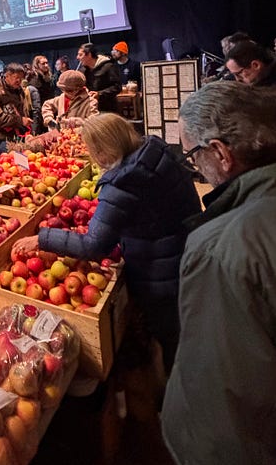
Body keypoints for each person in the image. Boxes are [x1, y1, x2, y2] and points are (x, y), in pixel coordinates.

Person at [161, 82, 276, 465]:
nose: (194, 168)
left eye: (193, 157)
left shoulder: (228, 250)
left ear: (221, 154)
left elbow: (227, 437)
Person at [13, 112, 200, 372]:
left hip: (160, 271)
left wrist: (42, 238)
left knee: (170, 340)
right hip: (185, 249)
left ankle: (172, 385)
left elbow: (94, 245)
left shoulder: (123, 183)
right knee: (180, 330)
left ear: (101, 152)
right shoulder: (155, 153)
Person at [0, 62, 33, 153]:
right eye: (16, 77)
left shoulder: (19, 90)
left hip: (19, 134)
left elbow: (23, 110)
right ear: (7, 76)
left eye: (21, 78)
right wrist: (20, 121)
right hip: (3, 138)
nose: (19, 81)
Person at [76, 43, 122, 112]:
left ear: (89, 55)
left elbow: (117, 87)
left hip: (107, 108)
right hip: (90, 108)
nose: (77, 57)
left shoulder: (108, 66)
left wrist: (99, 94)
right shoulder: (83, 70)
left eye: (80, 55)